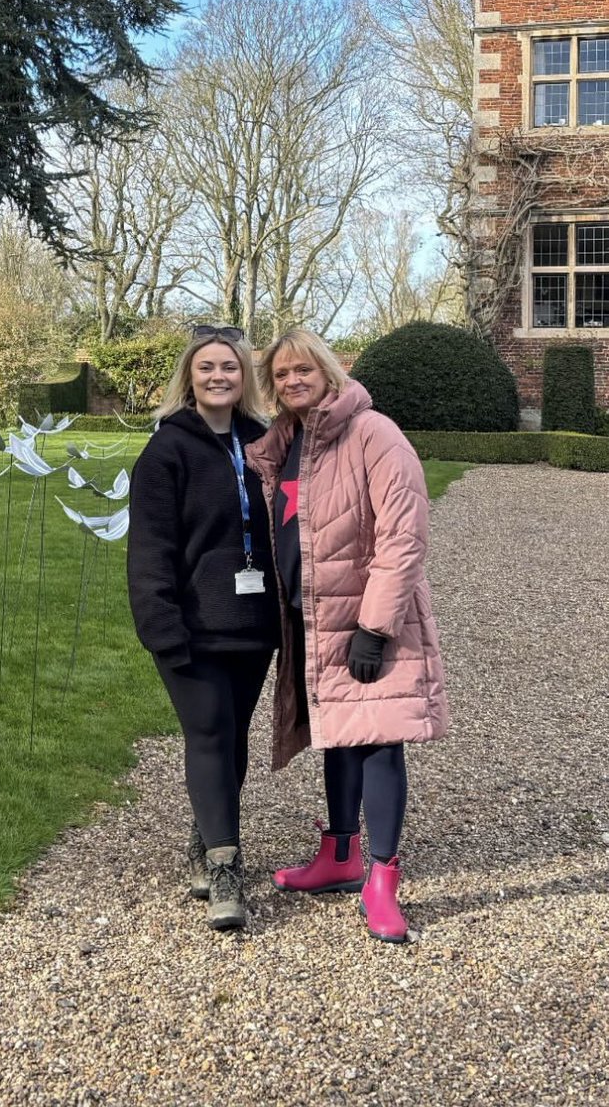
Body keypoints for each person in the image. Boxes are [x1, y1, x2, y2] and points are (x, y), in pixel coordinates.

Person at [244, 328, 448, 943]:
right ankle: (339, 854)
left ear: (329, 371)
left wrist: (376, 626)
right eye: (281, 374)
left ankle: (382, 878)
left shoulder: (373, 433)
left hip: (365, 622)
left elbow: (403, 535)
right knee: (338, 734)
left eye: (304, 369)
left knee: (381, 739)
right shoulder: (284, 442)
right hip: (309, 618)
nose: (293, 381)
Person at [127, 324, 280, 931]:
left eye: (231, 368)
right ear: (189, 377)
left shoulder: (265, 442)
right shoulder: (168, 450)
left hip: (254, 622)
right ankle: (225, 865)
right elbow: (149, 549)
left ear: (244, 377)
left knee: (233, 739)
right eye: (207, 367)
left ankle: (205, 833)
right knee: (210, 733)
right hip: (191, 627)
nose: (219, 376)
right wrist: (160, 625)